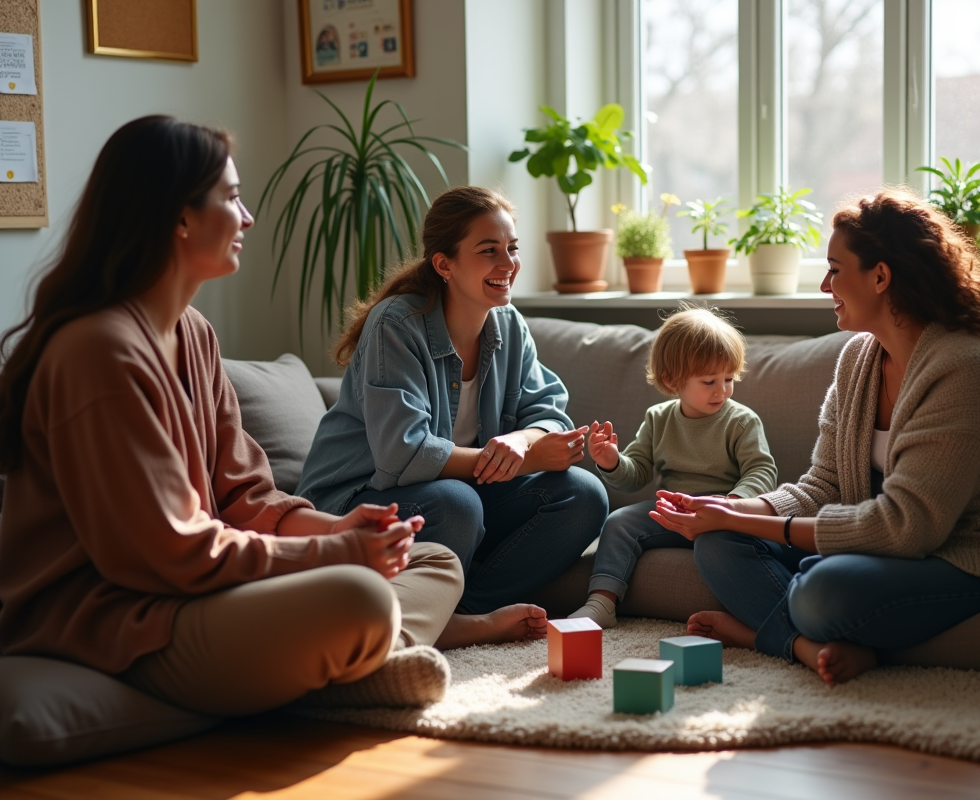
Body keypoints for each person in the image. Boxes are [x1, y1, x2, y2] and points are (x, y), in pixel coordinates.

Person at [0, 116, 471, 717]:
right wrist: (337, 556)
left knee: (432, 557)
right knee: (360, 597)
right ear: (179, 216)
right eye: (231, 197)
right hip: (120, 617)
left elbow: (246, 496)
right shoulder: (99, 351)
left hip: (199, 590)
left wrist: (336, 530)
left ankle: (355, 664)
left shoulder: (194, 334)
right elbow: (169, 554)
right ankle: (360, 660)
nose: (247, 217)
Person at [650, 188, 980, 687]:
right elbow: (823, 486)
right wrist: (727, 513)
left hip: (973, 557)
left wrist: (764, 527)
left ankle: (768, 633)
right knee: (716, 542)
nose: (824, 285)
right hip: (883, 551)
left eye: (834, 269)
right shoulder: (858, 359)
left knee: (822, 593)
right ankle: (802, 645)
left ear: (880, 276)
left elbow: (909, 528)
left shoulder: (968, 369)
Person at [297, 186, 608, 635]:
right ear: (444, 264)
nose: (508, 264)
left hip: (459, 494)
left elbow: (548, 410)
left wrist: (522, 441)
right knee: (458, 505)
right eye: (489, 251)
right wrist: (527, 459)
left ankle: (460, 614)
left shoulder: (509, 324)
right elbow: (402, 455)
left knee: (582, 494)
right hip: (356, 500)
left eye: (512, 249)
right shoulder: (396, 325)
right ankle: (450, 621)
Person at [569, 306, 777, 628]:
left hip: (721, 513)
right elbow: (636, 472)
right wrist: (611, 461)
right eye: (709, 381)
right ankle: (601, 603)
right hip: (670, 509)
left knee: (718, 543)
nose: (722, 390)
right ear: (672, 379)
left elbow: (761, 471)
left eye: (728, 378)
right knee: (620, 521)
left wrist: (732, 504)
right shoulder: (659, 418)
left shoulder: (741, 421)